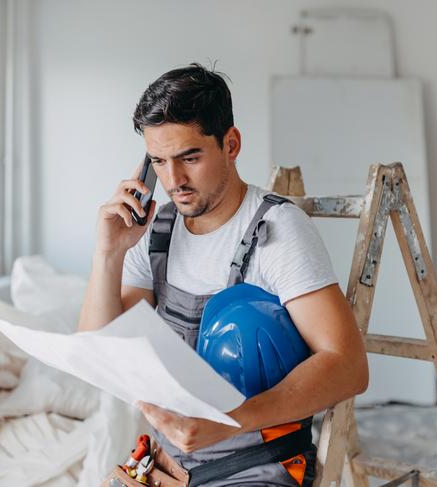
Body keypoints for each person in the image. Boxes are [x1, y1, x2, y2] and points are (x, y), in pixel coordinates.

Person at [78, 63, 368, 486]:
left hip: (257, 470)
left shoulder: (279, 232)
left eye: (189, 157)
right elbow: (97, 353)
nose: (173, 180)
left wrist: (231, 421)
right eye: (158, 161)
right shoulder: (155, 231)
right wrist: (108, 252)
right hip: (169, 466)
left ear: (230, 144)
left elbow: (349, 367)